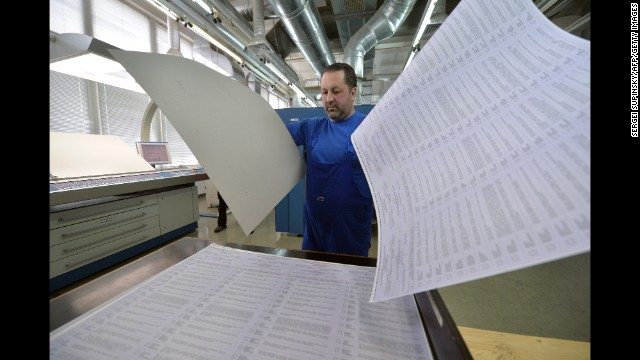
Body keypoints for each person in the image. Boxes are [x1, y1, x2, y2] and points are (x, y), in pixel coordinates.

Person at [286, 62, 373, 256]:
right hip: (314, 235)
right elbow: (275, 134)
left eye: (336, 91)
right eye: (324, 92)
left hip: (351, 236)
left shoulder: (369, 129)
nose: (329, 99)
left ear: (353, 93)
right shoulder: (312, 128)